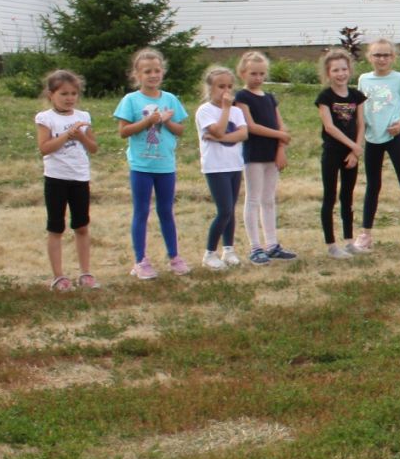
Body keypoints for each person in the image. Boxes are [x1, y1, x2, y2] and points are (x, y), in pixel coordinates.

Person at [113, 47, 190, 279]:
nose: (153, 75)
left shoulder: (170, 99)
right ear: (137, 75)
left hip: (166, 166)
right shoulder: (131, 100)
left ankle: (174, 257)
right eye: (147, 71)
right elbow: (123, 132)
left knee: (166, 210)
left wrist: (166, 122)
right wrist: (148, 121)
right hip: (141, 167)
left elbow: (180, 129)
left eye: (157, 70)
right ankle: (140, 260)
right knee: (141, 211)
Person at [356, 39, 400, 251]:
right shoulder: (363, 80)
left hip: (394, 137)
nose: (382, 59)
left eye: (386, 55)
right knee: (372, 186)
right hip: (372, 138)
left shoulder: (399, 80)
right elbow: (360, 109)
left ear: (393, 58)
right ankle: (366, 235)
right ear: (370, 58)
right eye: (377, 55)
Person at [35, 69, 98, 291]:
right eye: (64, 93)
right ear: (51, 94)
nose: (69, 98)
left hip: (79, 178)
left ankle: (85, 272)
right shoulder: (45, 118)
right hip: (56, 179)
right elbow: (44, 148)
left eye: (73, 93)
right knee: (56, 227)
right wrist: (66, 136)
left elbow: (93, 147)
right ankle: (59, 276)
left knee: (81, 225)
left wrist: (81, 135)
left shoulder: (83, 117)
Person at [234, 51, 295, 265]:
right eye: (253, 73)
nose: (258, 78)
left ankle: (272, 244)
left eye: (261, 74)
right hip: (254, 154)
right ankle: (255, 246)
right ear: (242, 73)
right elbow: (251, 126)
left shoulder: (269, 97)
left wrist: (280, 148)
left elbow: (280, 124)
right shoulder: (241, 97)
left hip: (271, 154)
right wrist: (280, 135)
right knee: (253, 199)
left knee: (269, 199)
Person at [196, 66, 251, 270]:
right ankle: (209, 253)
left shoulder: (237, 111)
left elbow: (242, 134)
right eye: (221, 86)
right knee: (224, 210)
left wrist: (223, 137)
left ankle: (228, 249)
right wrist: (226, 110)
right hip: (215, 167)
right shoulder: (205, 111)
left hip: (234, 164)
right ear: (210, 88)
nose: (226, 91)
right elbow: (217, 129)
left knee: (231, 210)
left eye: (229, 86)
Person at [315, 47, 365, 259]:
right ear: (328, 73)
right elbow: (330, 127)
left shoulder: (356, 96)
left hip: (351, 155)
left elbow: (361, 123)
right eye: (335, 70)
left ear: (350, 70)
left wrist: (356, 150)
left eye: (344, 69)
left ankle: (349, 241)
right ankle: (332, 245)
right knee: (330, 197)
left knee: (348, 197)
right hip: (333, 153)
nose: (340, 74)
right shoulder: (325, 97)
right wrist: (352, 145)